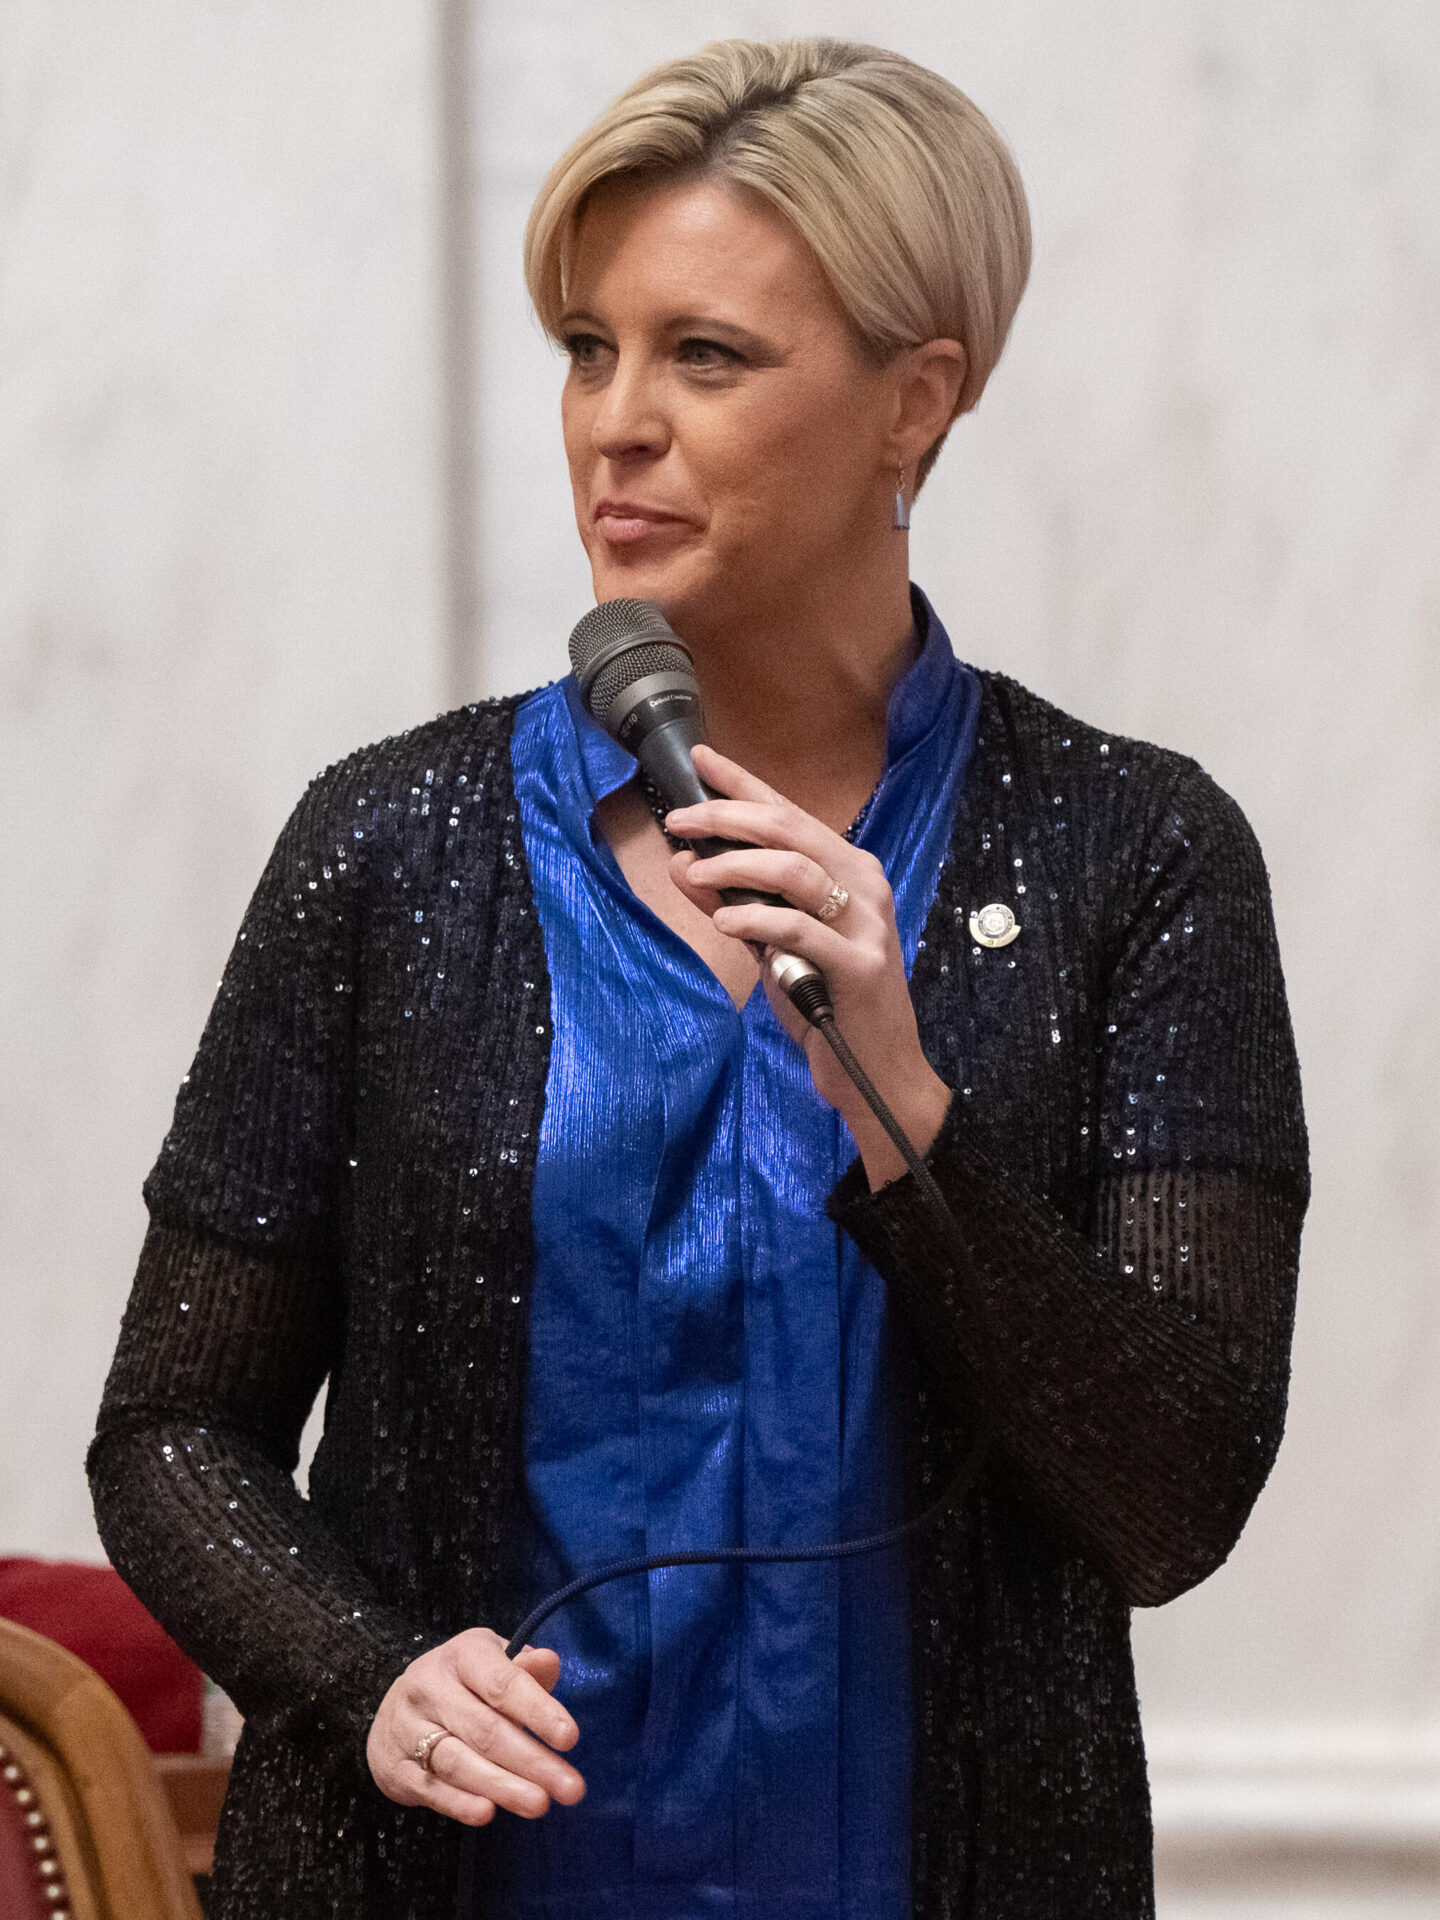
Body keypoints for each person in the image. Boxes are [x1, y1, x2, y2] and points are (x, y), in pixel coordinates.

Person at [88, 36, 1308, 1920]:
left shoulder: (1132, 854)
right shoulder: (388, 841)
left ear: (920, 401)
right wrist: (369, 1674)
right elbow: (173, 1429)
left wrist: (907, 1104)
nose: (613, 423)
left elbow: (1171, 1502)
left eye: (706, 356)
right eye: (591, 347)